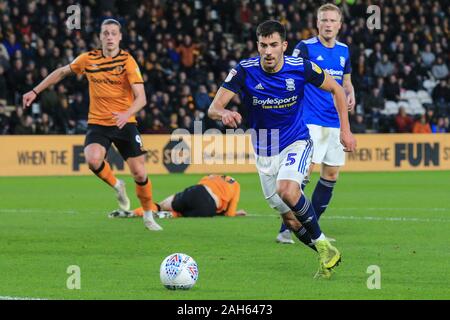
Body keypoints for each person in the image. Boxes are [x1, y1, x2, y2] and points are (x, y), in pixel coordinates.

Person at [207, 20, 356, 278]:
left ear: (284, 46)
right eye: (263, 45)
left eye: (273, 45)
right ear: (257, 46)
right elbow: (213, 108)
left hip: (296, 141)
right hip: (265, 152)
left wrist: (345, 130)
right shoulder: (244, 70)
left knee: (287, 189)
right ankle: (326, 252)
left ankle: (321, 243)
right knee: (290, 220)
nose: (268, 51)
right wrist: (224, 114)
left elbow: (337, 90)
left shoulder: (301, 67)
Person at [22, 19, 162, 231]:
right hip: (98, 123)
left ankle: (149, 216)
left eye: (113, 33)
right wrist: (35, 91)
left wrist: (126, 114)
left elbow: (141, 98)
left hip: (125, 122)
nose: (109, 37)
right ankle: (117, 185)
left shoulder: (128, 61)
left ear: (120, 37)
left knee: (140, 174)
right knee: (92, 160)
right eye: (105, 33)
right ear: (100, 37)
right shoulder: (88, 59)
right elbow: (61, 72)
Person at [276, 4, 355, 244]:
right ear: (317, 23)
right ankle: (286, 229)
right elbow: (291, 77)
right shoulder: (305, 48)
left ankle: (313, 228)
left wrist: (351, 94)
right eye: (324, 20)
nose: (328, 24)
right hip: (309, 120)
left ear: (339, 25)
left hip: (334, 120)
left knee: (331, 174)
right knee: (301, 176)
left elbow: (346, 83)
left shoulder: (344, 51)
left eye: (332, 20)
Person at [109, 174, 246, 218]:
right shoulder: (237, 185)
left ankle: (135, 212)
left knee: (161, 205)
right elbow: (230, 213)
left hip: (197, 191)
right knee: (180, 213)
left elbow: (198, 191)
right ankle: (168, 215)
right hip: (208, 209)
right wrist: (235, 213)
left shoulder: (211, 176)